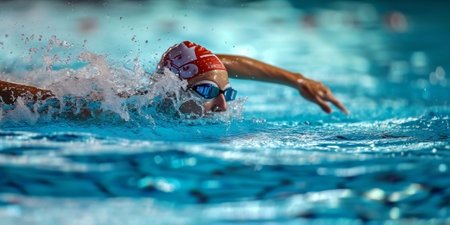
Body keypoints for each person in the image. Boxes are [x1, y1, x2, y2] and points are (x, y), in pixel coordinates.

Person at [0, 41, 349, 117]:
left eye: (226, 92)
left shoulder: (184, 85)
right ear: (170, 88)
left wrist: (297, 79)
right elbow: (32, 97)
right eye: (209, 92)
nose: (222, 105)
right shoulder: (115, 109)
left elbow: (221, 64)